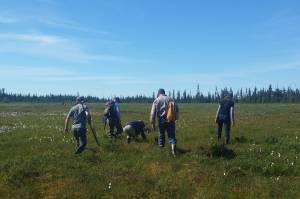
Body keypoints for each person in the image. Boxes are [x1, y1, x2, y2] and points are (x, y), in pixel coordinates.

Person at [150, 88, 179, 157]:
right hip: (171, 119)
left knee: (161, 134)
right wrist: (175, 118)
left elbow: (152, 113)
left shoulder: (157, 100)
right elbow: (177, 109)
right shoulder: (171, 98)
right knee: (171, 135)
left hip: (161, 119)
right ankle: (173, 150)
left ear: (159, 93)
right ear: (164, 92)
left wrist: (152, 123)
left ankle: (161, 150)